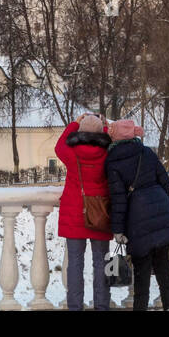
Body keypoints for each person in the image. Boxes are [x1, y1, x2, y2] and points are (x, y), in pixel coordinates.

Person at [106, 119, 169, 310]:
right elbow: (165, 182)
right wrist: (166, 209)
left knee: (142, 271)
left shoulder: (113, 161)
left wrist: (118, 230)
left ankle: (140, 307)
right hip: (160, 209)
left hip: (138, 219)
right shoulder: (146, 152)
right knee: (164, 266)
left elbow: (118, 199)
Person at [54, 112, 112, 310]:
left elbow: (59, 146)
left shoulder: (72, 152)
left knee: (75, 265)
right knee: (101, 263)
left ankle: (75, 306)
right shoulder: (107, 153)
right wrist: (103, 126)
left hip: (75, 212)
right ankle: (102, 305)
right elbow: (109, 140)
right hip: (100, 213)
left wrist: (74, 124)